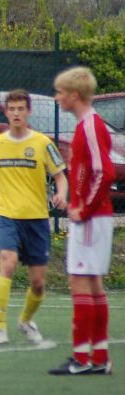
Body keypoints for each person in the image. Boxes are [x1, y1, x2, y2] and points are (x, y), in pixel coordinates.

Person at [0, 89, 67, 345]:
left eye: (20, 109)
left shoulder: (42, 143)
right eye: (11, 109)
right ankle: (0, 326)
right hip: (8, 216)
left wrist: (61, 194)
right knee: (7, 264)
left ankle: (25, 320)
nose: (16, 113)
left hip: (36, 219)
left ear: (28, 111)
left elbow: (60, 176)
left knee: (38, 284)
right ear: (7, 112)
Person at [49, 67, 114, 375]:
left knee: (79, 282)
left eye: (60, 92)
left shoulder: (90, 125)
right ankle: (99, 358)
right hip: (94, 215)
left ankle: (81, 358)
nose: (57, 97)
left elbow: (104, 172)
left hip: (91, 218)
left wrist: (82, 209)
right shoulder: (88, 125)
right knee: (94, 284)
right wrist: (71, 199)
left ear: (74, 95)